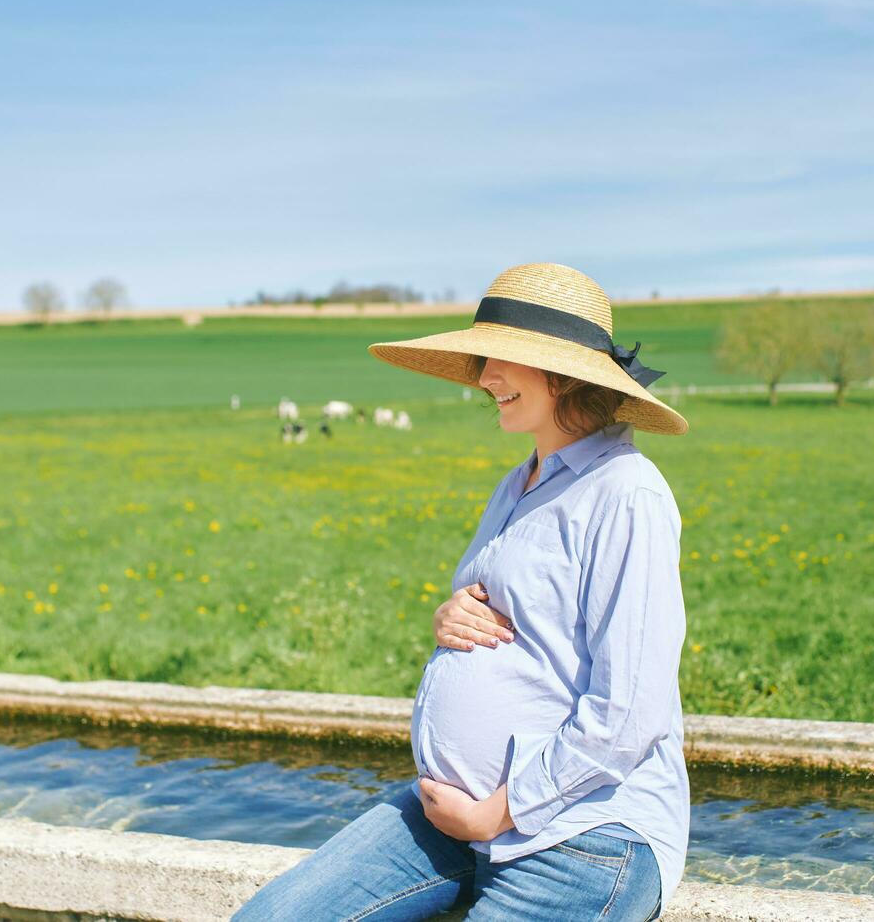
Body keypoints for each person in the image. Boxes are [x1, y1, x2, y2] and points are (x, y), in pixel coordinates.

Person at [234, 263, 689, 921]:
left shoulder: (625, 494)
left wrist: (493, 813)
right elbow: (510, 611)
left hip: (580, 835)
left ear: (562, 375)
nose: (483, 378)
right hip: (451, 818)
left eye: (501, 360)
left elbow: (629, 713)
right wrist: (451, 616)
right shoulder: (518, 482)